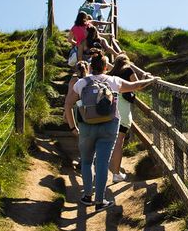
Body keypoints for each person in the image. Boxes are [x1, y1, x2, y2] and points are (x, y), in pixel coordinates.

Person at [64, 49, 159, 212]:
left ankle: (87, 196)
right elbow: (136, 86)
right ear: (106, 67)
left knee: (87, 162)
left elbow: (68, 105)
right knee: (101, 162)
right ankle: (100, 201)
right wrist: (151, 79)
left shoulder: (82, 83)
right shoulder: (114, 80)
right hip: (109, 126)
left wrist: (73, 127)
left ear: (91, 67)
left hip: (86, 126)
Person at [108, 53, 141, 183]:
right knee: (119, 141)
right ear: (127, 62)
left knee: (106, 141)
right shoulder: (128, 70)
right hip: (122, 111)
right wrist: (148, 78)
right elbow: (137, 84)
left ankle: (97, 171)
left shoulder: (110, 74)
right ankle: (116, 174)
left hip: (109, 111)